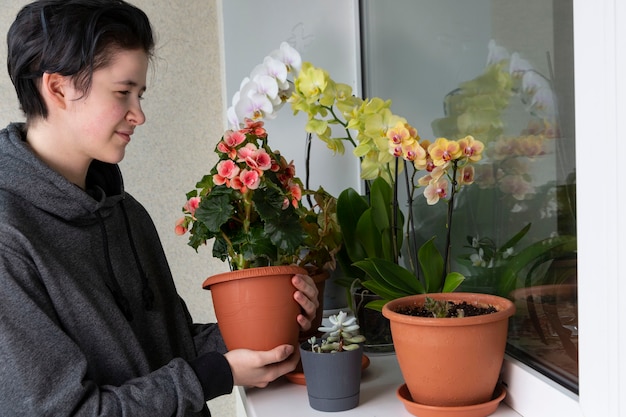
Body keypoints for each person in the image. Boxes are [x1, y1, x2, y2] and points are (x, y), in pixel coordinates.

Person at [0, 1, 319, 416]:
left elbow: (173, 347)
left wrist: (283, 324)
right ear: (58, 88)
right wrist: (213, 375)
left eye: (140, 93)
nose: (139, 114)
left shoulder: (124, 212)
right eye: (122, 93)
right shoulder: (9, 237)